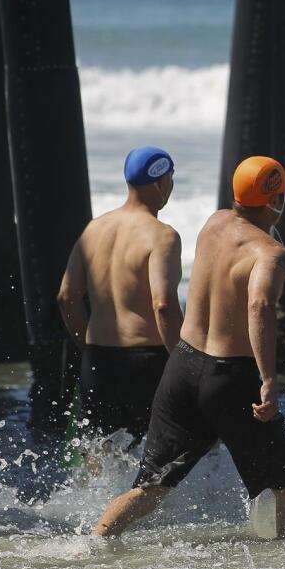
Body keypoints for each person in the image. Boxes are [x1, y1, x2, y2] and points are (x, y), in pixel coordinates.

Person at [92, 156, 285, 539]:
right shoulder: (271, 254)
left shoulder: (215, 222)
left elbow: (247, 255)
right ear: (276, 201)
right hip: (231, 378)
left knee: (152, 486)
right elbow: (259, 303)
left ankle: (95, 542)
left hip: (183, 367)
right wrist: (268, 380)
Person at [57, 146, 183, 449]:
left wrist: (87, 347)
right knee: (164, 464)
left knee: (102, 463)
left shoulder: (94, 229)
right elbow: (163, 305)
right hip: (147, 363)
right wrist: (185, 364)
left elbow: (66, 297)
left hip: (98, 361)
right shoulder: (161, 235)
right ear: (161, 182)